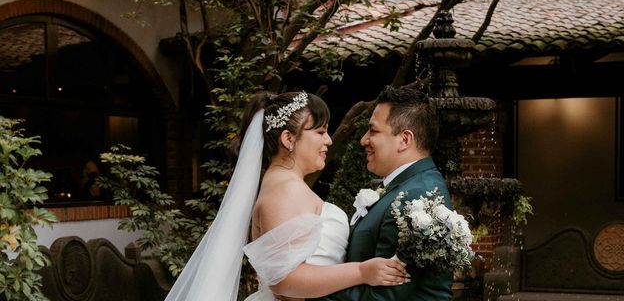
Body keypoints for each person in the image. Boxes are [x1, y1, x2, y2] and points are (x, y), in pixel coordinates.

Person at [164, 90, 408, 301]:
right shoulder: (285, 190)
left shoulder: (282, 184)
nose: (329, 140)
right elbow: (285, 282)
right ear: (288, 138)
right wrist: (362, 272)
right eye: (321, 131)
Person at [313, 85, 454, 301]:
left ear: (405, 140)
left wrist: (305, 292)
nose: (363, 140)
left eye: (373, 131)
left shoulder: (417, 197)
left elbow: (383, 297)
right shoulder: (406, 187)